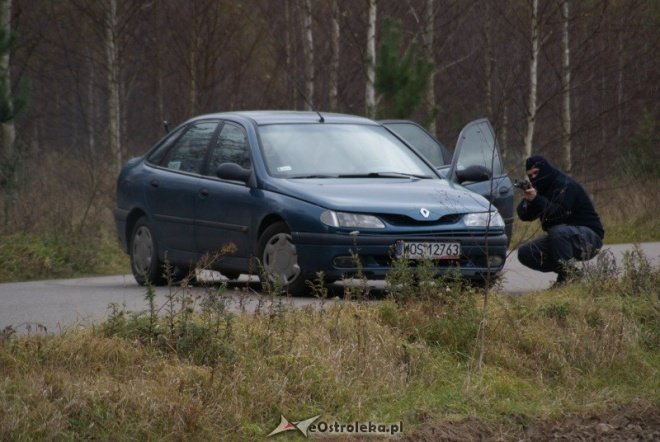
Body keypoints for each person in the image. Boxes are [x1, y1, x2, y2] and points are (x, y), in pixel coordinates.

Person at [516, 155, 604, 286]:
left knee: (558, 231)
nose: (534, 177)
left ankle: (567, 279)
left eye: (536, 173)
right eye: (530, 175)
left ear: (545, 169)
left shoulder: (565, 185)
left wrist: (537, 199)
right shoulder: (540, 189)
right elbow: (525, 216)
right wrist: (529, 201)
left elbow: (558, 215)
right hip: (561, 237)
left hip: (589, 238)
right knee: (526, 252)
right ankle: (571, 273)